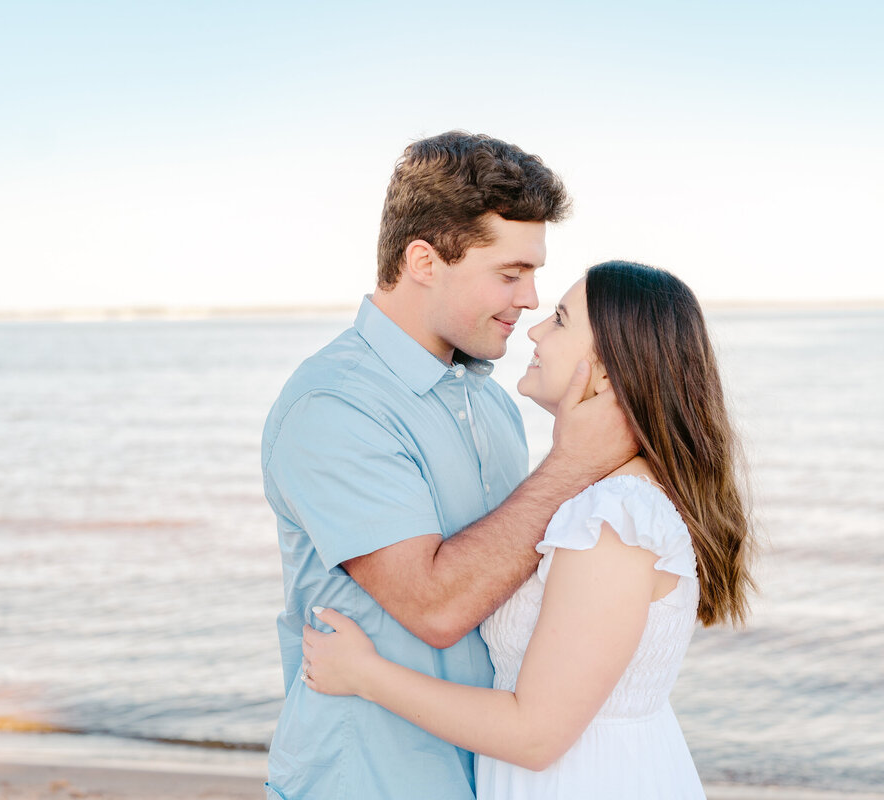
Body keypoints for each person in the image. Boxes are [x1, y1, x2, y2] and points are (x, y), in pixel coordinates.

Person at [261, 133, 636, 800]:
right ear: (425, 261)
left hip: (491, 774)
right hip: (369, 780)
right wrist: (572, 464)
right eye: (510, 273)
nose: (528, 299)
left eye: (534, 274)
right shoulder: (335, 407)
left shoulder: (490, 402)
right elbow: (435, 607)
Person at [302, 261, 755, 799]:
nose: (536, 328)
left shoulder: (613, 520)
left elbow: (535, 733)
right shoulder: (609, 500)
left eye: (561, 320)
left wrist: (365, 676)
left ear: (608, 372)